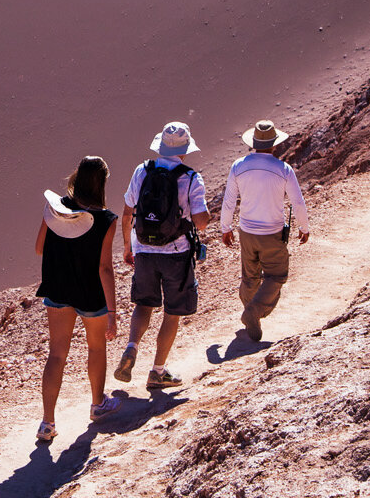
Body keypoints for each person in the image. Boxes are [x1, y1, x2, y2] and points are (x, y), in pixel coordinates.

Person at [115, 122, 209, 389]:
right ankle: (157, 372)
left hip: (144, 249)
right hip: (176, 254)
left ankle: (131, 347)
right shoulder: (191, 177)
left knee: (143, 305)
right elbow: (201, 222)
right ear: (185, 150)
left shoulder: (142, 170)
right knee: (172, 312)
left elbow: (127, 212)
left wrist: (127, 246)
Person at [34, 155, 120, 441]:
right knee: (96, 348)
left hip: (58, 289)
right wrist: (113, 311)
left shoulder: (56, 209)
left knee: (57, 354)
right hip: (91, 292)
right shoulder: (106, 220)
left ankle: (47, 423)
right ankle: (98, 404)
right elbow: (105, 267)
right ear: (102, 183)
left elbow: (39, 249)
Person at [220, 119, 311, 342]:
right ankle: (254, 312)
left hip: (247, 232)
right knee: (276, 275)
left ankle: (251, 312)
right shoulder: (283, 169)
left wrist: (225, 228)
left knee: (250, 276)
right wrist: (304, 227)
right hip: (272, 232)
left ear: (253, 142)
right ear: (275, 144)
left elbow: (229, 200)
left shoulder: (238, 166)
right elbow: (297, 202)